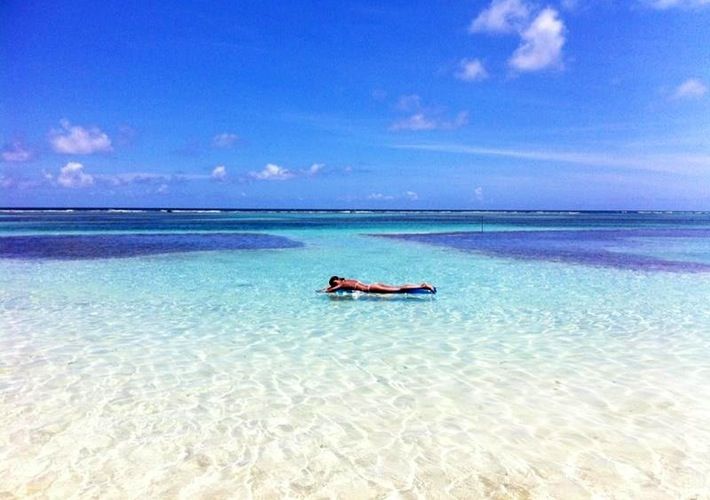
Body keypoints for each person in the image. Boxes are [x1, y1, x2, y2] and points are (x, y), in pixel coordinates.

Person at [324, 276, 436, 294]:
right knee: (398, 287)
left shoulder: (342, 284)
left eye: (334, 283)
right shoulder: (348, 280)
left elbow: (331, 290)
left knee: (399, 290)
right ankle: (420, 285)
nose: (335, 285)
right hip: (374, 285)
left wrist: (324, 290)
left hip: (371, 289)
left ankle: (424, 287)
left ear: (337, 280)